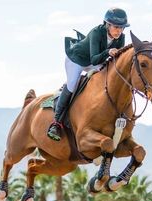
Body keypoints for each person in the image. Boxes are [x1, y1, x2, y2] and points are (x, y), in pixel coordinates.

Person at [47, 7, 130, 141]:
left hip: (95, 60)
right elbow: (94, 59)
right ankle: (56, 123)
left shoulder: (121, 38)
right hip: (77, 59)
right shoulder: (96, 33)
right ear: (107, 24)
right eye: (116, 27)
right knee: (72, 84)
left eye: (122, 28)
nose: (119, 31)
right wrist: (108, 52)